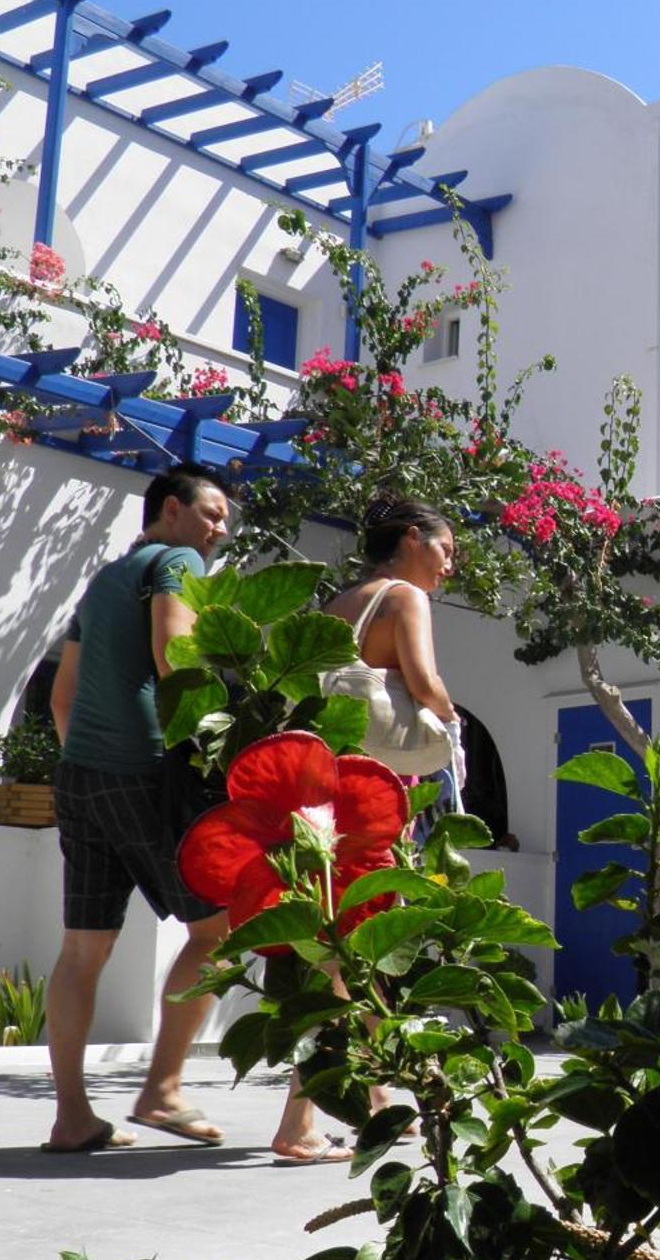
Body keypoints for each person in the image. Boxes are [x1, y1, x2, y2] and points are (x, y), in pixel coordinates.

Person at [42, 465, 348, 1163]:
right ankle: (163, 1089)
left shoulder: (102, 581)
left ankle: (72, 1118)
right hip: (143, 774)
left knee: (83, 949)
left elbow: (62, 698)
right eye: (211, 515)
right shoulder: (175, 561)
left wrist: (90, 759)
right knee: (220, 930)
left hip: (79, 779)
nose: (219, 531)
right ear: (171, 510)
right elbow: (175, 656)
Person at [322, 497, 462, 835]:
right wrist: (451, 720)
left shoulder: (338, 602)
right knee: (383, 871)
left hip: (330, 765)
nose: (449, 566)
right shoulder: (406, 596)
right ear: (412, 538)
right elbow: (424, 682)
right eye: (445, 550)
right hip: (382, 772)